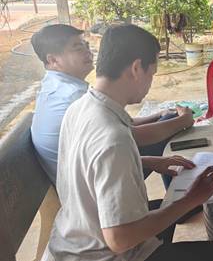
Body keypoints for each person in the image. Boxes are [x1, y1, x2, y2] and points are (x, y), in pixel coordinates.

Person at [49, 24, 213, 261]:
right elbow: (120, 239)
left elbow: (90, 164)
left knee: (164, 211)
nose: (150, 83)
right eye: (151, 73)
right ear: (136, 68)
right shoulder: (113, 138)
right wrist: (192, 199)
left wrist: (149, 161)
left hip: (76, 240)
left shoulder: (81, 107)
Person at [30, 24, 194, 186]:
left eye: (86, 45)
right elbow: (125, 136)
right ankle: (180, 189)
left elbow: (119, 124)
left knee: (168, 118)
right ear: (53, 60)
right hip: (85, 182)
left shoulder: (58, 87)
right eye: (78, 48)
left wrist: (159, 115)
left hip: (83, 175)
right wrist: (182, 122)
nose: (88, 52)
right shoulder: (74, 97)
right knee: (172, 126)